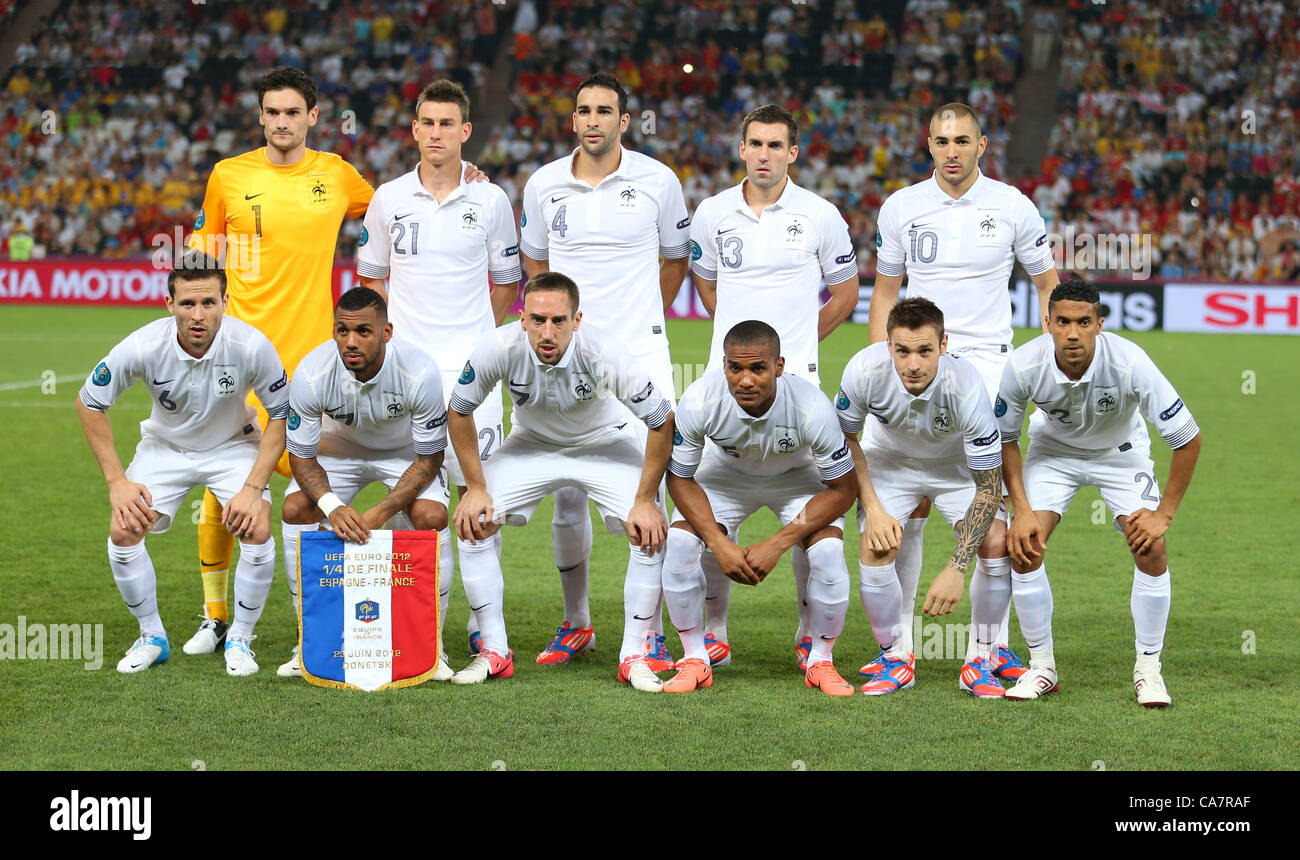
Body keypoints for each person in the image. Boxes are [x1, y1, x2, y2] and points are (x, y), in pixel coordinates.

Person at [185, 67, 374, 658]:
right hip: (236, 363)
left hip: (315, 364)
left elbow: (399, 206)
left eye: (294, 112)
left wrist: (459, 175)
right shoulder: (228, 176)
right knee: (223, 490)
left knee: (316, 491)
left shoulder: (337, 175)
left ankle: (320, 619)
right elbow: (198, 253)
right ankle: (217, 619)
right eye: (273, 112)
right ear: (261, 116)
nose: (283, 122)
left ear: (312, 117)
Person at [867, 102, 1060, 678]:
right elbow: (884, 293)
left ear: (983, 144)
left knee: (989, 515)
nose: (952, 151)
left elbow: (1048, 286)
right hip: (918, 363)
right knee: (908, 508)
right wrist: (887, 361)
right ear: (928, 144)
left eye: (962, 140)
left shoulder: (1012, 206)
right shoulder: (902, 206)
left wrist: (1049, 358)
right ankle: (897, 648)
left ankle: (985, 651)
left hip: (988, 372)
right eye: (942, 140)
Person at [518, 72, 690, 670]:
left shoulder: (658, 181)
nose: (594, 120)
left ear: (625, 120)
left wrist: (637, 322)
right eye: (584, 110)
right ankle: (577, 622)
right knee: (567, 496)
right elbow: (537, 269)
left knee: (650, 499)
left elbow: (675, 263)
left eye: (605, 111)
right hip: (564, 358)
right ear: (573, 120)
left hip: (640, 355)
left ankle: (654, 631)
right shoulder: (543, 184)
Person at [355, 78, 522, 672]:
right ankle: (420, 630)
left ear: (465, 131)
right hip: (407, 378)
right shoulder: (388, 198)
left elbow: (507, 282)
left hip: (472, 381)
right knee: (418, 507)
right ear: (415, 129)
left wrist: (476, 340)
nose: (435, 133)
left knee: (478, 506)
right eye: (427, 122)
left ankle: (487, 633)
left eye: (447, 124)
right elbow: (372, 278)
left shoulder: (491, 200)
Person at [687, 103, 859, 670]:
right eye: (754, 144)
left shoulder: (820, 213)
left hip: (797, 387)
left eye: (774, 145)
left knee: (813, 521)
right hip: (729, 384)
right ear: (742, 149)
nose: (763, 154)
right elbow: (706, 285)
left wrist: (797, 348)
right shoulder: (712, 213)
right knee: (712, 513)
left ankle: (811, 634)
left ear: (793, 152)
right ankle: (714, 631)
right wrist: (741, 350)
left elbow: (846, 291)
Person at [447, 273, 675, 690]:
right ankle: (494, 651)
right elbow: (459, 409)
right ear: (522, 319)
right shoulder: (499, 347)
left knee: (649, 529)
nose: (546, 332)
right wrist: (476, 487)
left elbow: (662, 421)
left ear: (577, 320)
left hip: (604, 444)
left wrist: (645, 499)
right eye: (537, 320)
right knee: (472, 523)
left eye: (558, 321)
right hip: (531, 444)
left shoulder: (605, 351)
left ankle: (634, 654)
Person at [76, 251, 288, 676]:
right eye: (188, 303)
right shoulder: (143, 345)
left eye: (208, 303)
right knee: (123, 529)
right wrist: (117, 480)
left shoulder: (250, 344)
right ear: (169, 304)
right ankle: (152, 636)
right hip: (165, 449)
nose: (198, 314)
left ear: (225, 302)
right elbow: (89, 402)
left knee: (258, 526)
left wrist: (252, 489)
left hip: (232, 445)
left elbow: (282, 415)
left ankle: (241, 638)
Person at [996, 279, 1201, 706]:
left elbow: (1188, 438)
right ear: (1047, 322)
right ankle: (1041, 667)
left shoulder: (1129, 362)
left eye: (1084, 322)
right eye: (1064, 322)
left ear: (1099, 324)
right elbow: (1005, 439)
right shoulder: (1023, 365)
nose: (1073, 333)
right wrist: (1021, 507)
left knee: (1152, 547)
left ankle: (1149, 670)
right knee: (1025, 544)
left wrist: (1164, 513)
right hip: (1052, 453)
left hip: (1120, 453)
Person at [661, 321, 858, 695]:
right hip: (724, 478)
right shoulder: (701, 399)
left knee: (829, 551)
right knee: (683, 543)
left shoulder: (812, 406)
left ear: (779, 367)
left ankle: (821, 660)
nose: (746, 380)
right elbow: (680, 479)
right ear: (724, 366)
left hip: (796, 480)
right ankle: (694, 659)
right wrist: (719, 543)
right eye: (736, 368)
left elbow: (844, 489)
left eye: (758, 369)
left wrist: (777, 544)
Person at [837, 298, 1007, 696]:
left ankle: (981, 659)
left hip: (955, 467)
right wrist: (874, 509)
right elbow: (845, 438)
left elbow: (988, 483)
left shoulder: (966, 386)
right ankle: (895, 656)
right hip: (890, 462)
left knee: (997, 544)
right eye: (903, 351)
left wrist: (956, 567)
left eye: (925, 351)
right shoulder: (863, 370)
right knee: (876, 547)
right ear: (888, 345)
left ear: (943, 345)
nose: (913, 364)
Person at [279, 287, 449, 678]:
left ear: (386, 332)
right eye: (342, 331)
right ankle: (309, 640)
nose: (350, 342)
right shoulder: (312, 372)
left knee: (431, 515)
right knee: (295, 509)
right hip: (340, 451)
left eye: (363, 332)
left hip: (406, 454)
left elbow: (429, 458)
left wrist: (381, 511)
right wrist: (331, 506)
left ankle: (431, 646)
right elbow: (301, 457)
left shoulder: (418, 372)